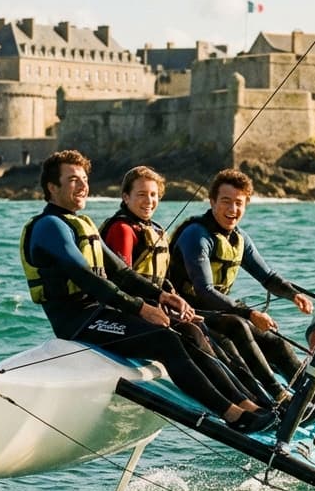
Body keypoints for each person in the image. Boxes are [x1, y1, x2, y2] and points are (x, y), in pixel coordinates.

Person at [20, 150, 274, 433]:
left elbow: (121, 273)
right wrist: (140, 308)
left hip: (100, 312)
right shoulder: (49, 227)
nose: (82, 186)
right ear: (52, 188)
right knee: (163, 340)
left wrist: (162, 297)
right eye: (72, 180)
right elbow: (88, 279)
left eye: (84, 179)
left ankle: (247, 404)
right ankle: (231, 414)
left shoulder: (82, 224)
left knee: (188, 331)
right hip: (77, 321)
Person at [100, 166, 270, 409]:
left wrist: (181, 304)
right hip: (131, 312)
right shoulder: (122, 230)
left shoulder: (154, 229)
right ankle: (237, 404)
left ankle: (250, 399)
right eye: (141, 195)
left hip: (155, 306)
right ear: (125, 197)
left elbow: (162, 280)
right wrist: (152, 309)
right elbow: (123, 280)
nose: (149, 201)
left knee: (204, 330)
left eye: (154, 195)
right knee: (193, 334)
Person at [168, 168, 313, 404]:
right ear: (212, 201)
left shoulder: (238, 238)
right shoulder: (196, 235)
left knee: (276, 341)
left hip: (220, 311)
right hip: (189, 312)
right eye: (226, 202)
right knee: (237, 326)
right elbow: (204, 291)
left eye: (239, 203)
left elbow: (267, 277)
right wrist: (250, 313)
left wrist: (294, 295)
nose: (233, 210)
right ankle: (276, 397)